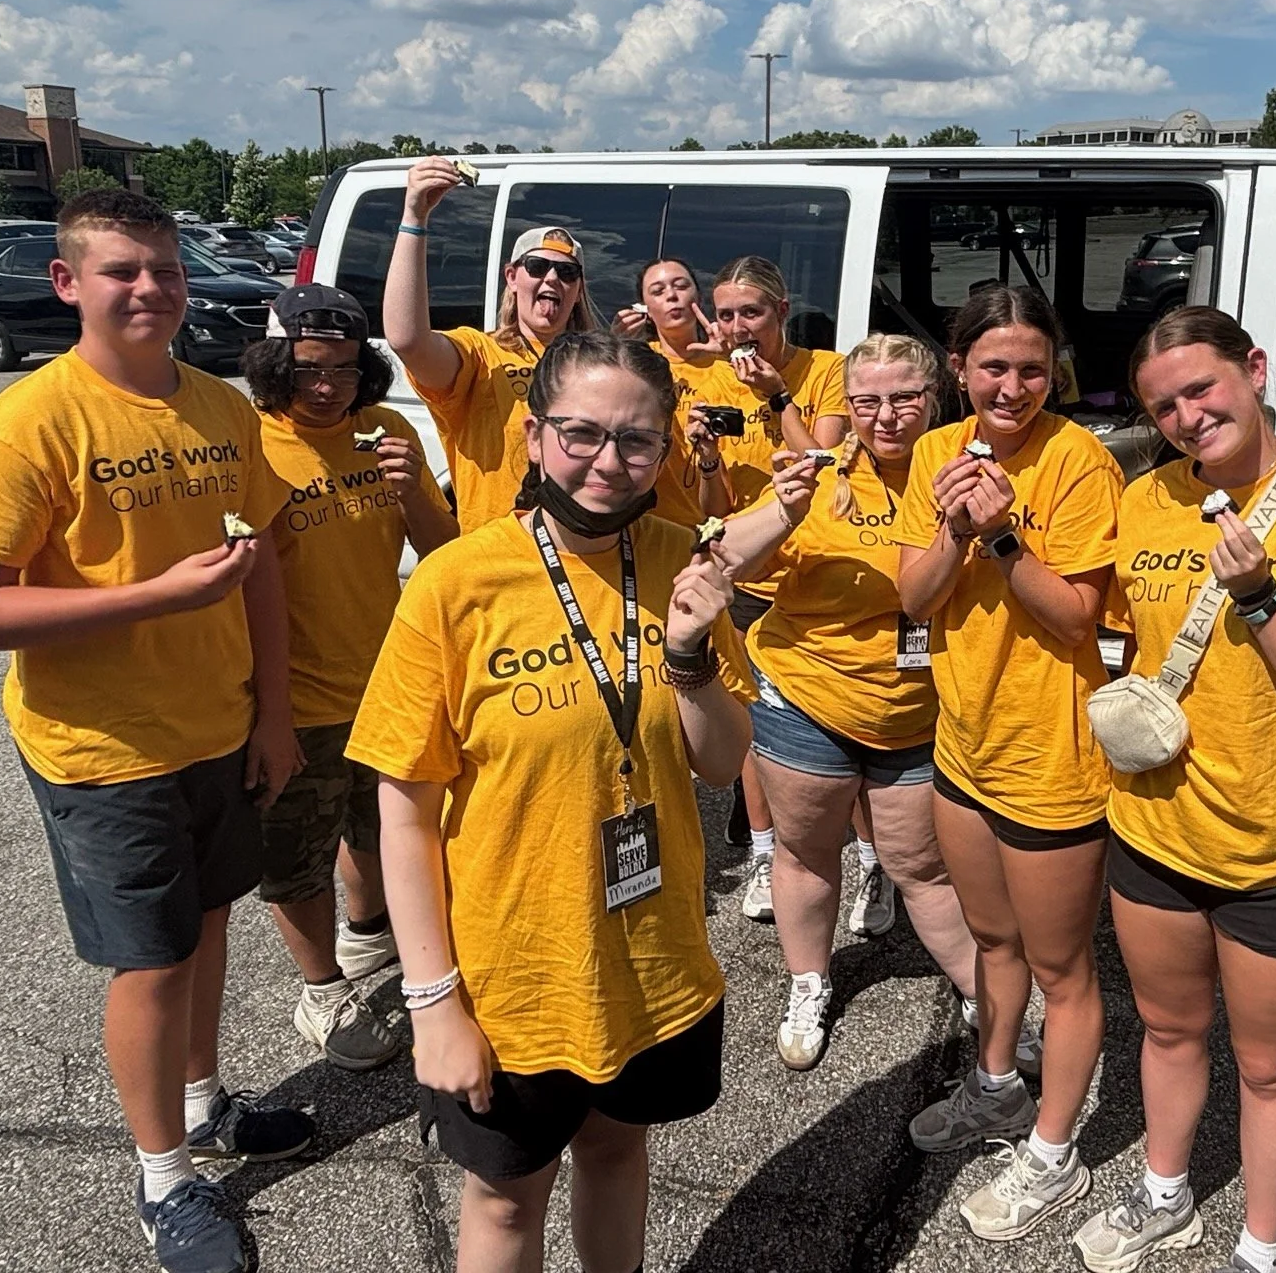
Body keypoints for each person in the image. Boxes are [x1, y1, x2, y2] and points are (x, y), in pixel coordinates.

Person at [0, 189, 313, 1273]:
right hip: (100, 750)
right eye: (121, 272)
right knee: (150, 962)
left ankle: (200, 1104)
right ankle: (164, 1183)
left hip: (218, 726)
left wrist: (274, 713)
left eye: (166, 269)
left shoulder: (219, 407)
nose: (149, 289)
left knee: (208, 924)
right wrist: (155, 598)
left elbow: (261, 571)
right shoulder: (31, 422)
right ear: (68, 284)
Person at [349, 330, 755, 1273]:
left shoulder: (679, 564)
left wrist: (690, 658)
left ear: (665, 448)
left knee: (618, 1153)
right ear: (533, 438)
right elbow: (402, 808)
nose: (608, 462)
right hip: (511, 974)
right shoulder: (458, 581)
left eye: (637, 441)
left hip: (650, 954)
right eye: (581, 434)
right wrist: (432, 1002)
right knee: (503, 1200)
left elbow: (725, 766)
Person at [1067, 306, 1276, 1273]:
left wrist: (1263, 598)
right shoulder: (1146, 500)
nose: (1186, 415)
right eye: (1162, 405)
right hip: (1153, 829)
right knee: (1170, 1033)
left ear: (1253, 370)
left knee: (1268, 1067)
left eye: (1201, 389)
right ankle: (1165, 1194)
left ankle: (1260, 1250)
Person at [891, 283, 1125, 1243]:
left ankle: (1055, 1155)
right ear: (959, 368)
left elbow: (1076, 613)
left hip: (1052, 756)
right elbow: (914, 597)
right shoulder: (936, 456)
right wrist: (953, 529)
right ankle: (995, 1087)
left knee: (1064, 970)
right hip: (966, 744)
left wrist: (998, 532)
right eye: (994, 366)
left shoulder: (1076, 459)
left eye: (1033, 368)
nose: (1014, 386)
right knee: (992, 945)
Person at [719, 333, 994, 1071]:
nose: (886, 416)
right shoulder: (819, 475)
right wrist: (781, 509)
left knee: (920, 866)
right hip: (810, 695)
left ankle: (985, 999)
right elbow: (726, 562)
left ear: (937, 398)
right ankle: (809, 982)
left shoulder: (969, 475)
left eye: (905, 397)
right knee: (809, 855)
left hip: (916, 707)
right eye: (866, 401)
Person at [241, 284, 459, 1072]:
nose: (326, 386)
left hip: (387, 681)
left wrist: (411, 492)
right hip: (293, 695)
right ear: (274, 367)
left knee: (377, 829)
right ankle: (321, 990)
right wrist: (267, 716)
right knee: (295, 853)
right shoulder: (253, 442)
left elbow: (442, 553)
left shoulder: (387, 430)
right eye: (306, 370)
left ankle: (367, 941)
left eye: (341, 368)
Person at [700, 256, 852, 920]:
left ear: (781, 312)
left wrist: (774, 398)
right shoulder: (712, 379)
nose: (738, 329)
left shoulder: (827, 370)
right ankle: (764, 853)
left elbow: (830, 468)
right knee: (754, 722)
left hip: (819, 573)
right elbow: (716, 499)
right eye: (727, 315)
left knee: (845, 717)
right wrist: (706, 459)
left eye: (751, 313)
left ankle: (869, 862)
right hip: (749, 574)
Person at [382, 156, 599, 534]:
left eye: (567, 273)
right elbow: (408, 340)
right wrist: (415, 218)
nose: (552, 278)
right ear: (512, 278)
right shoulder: (481, 354)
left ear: (578, 290)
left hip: (583, 549)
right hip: (498, 554)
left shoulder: (597, 365)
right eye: (537, 267)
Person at [613, 256, 731, 528]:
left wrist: (730, 356)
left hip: (720, 519)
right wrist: (614, 347)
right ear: (646, 310)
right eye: (658, 291)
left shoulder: (727, 365)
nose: (672, 296)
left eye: (680, 286)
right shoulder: (636, 365)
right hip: (648, 523)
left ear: (698, 298)